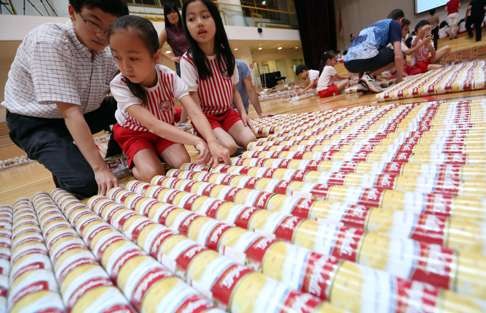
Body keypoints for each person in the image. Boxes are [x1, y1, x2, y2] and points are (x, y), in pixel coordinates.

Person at [2, 0, 129, 198]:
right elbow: (70, 111)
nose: (101, 35)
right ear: (72, 12)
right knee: (85, 182)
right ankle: (66, 160)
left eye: (110, 28)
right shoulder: (48, 41)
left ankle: (115, 154)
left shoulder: (109, 48)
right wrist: (99, 168)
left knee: (132, 104)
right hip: (35, 122)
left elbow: (129, 85)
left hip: (85, 111)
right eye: (93, 23)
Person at [109, 15, 230, 182]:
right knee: (152, 173)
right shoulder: (119, 84)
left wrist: (211, 141)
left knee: (182, 162)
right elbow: (153, 125)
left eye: (133, 58)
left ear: (155, 57)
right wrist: (196, 140)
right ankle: (130, 160)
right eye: (117, 58)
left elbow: (194, 111)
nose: (125, 67)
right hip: (133, 133)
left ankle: (154, 153)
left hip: (163, 128)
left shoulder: (168, 76)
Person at [180, 0, 256, 155]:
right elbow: (194, 108)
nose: (199, 23)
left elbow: (234, 91)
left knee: (250, 139)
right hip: (206, 118)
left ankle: (223, 136)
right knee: (230, 147)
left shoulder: (227, 56)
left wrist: (242, 113)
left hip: (227, 113)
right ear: (186, 26)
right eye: (191, 19)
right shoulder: (188, 60)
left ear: (216, 20)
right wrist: (210, 137)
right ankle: (203, 138)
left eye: (205, 16)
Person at [343, 9, 407, 93]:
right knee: (400, 53)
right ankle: (369, 76)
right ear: (401, 20)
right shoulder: (395, 24)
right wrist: (399, 79)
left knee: (372, 51)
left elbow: (362, 51)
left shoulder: (373, 26)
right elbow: (398, 55)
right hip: (362, 59)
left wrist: (360, 78)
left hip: (348, 63)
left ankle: (363, 83)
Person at [159, 2, 190, 76]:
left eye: (174, 11)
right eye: (169, 13)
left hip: (195, 60)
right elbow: (156, 48)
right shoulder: (166, 32)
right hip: (182, 65)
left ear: (177, 13)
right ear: (166, 16)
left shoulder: (186, 26)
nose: (172, 15)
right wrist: (172, 58)